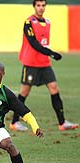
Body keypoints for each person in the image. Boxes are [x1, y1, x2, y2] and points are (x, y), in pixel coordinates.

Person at [10, 0, 78, 131]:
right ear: (34, 6)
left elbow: (43, 42)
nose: (41, 8)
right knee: (24, 92)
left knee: (54, 88)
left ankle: (62, 122)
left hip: (44, 63)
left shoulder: (47, 22)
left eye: (43, 5)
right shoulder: (29, 22)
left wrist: (48, 55)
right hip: (31, 62)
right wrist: (51, 53)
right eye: (38, 5)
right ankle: (14, 122)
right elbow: (33, 42)